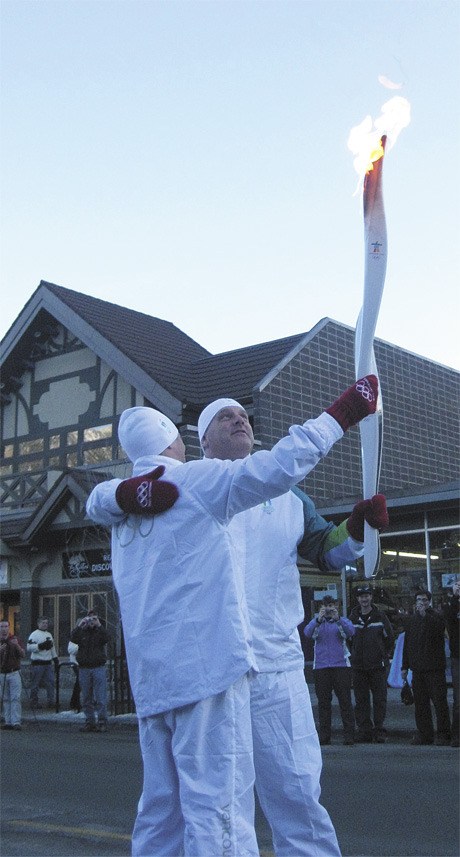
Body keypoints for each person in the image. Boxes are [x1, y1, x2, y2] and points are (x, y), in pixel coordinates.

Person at [86, 375, 379, 857]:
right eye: (226, 417)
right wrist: (342, 413)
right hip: (220, 669)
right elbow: (104, 499)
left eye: (244, 415)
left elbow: (326, 551)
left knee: (296, 795)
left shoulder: (288, 498)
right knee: (216, 803)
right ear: (200, 441)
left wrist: (357, 529)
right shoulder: (196, 485)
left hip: (272, 666)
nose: (240, 420)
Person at [304, 595, 356, 746]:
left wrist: (338, 618)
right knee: (323, 703)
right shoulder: (317, 623)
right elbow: (307, 633)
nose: (328, 610)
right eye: (325, 607)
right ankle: (325, 736)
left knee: (345, 701)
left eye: (331, 606)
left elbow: (351, 631)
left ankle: (349, 735)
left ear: (336, 607)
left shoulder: (341, 621)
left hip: (340, 666)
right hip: (321, 666)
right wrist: (318, 619)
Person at [402, 590, 451, 746]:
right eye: (418, 600)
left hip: (435, 668)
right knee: (421, 704)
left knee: (439, 702)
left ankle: (443, 734)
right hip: (418, 669)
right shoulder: (411, 621)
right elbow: (407, 644)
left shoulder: (436, 617)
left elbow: (439, 632)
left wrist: (425, 616)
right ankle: (425, 734)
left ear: (429, 601)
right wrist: (405, 666)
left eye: (424, 600)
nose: (421, 602)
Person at [348, 584, 394, 743]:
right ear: (357, 599)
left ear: (371, 597)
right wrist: (354, 654)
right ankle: (364, 732)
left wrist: (383, 654)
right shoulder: (352, 618)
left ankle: (379, 730)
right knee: (361, 701)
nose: (364, 599)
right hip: (358, 667)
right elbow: (348, 640)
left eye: (367, 595)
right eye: (361, 596)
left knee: (379, 699)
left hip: (377, 666)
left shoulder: (381, 616)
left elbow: (389, 639)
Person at [69, 611, 109, 733]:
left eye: (93, 619)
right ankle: (90, 721)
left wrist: (99, 625)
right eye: (89, 619)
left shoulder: (99, 632)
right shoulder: (82, 633)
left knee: (100, 696)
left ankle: (102, 721)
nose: (91, 622)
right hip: (84, 668)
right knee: (86, 697)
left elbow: (108, 637)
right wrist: (79, 626)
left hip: (98, 667)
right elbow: (72, 638)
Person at [27, 616, 59, 710]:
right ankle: (34, 702)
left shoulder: (49, 634)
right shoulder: (34, 634)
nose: (45, 624)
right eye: (43, 623)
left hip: (48, 663)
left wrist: (55, 659)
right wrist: (40, 646)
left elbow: (52, 648)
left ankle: (51, 701)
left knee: (50, 683)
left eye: (46, 623)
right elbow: (29, 647)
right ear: (38, 624)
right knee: (35, 684)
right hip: (37, 663)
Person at [0, 620, 25, 730]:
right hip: (2, 672)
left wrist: (17, 646)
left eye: (6, 626)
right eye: (2, 626)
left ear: (9, 627)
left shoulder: (15, 640)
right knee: (5, 698)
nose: (4, 629)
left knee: (15, 697)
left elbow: (23, 654)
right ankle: (8, 721)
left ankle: (16, 721)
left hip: (14, 671)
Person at [444, 580, 459, 747]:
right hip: (458, 657)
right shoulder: (452, 607)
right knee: (458, 700)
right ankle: (457, 736)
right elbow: (448, 618)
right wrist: (455, 598)